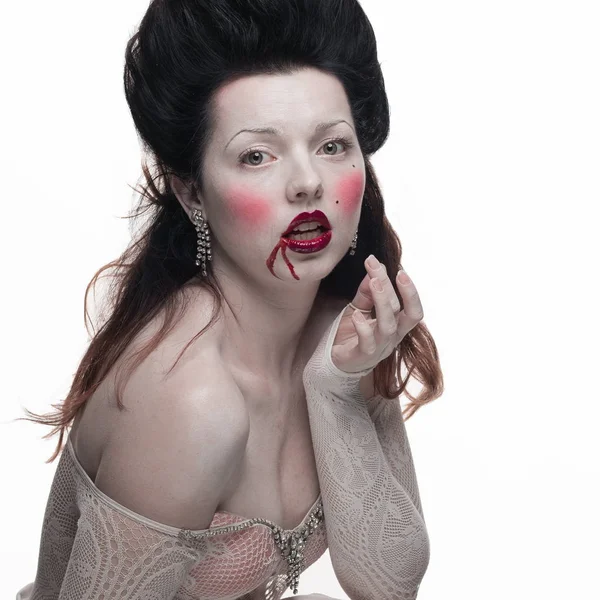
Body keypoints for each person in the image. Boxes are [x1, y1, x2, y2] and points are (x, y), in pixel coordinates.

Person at [16, 0, 443, 598]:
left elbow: (389, 583)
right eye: (256, 155)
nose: (307, 182)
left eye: (332, 145)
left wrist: (336, 390)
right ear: (191, 190)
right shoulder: (185, 399)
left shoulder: (345, 331)